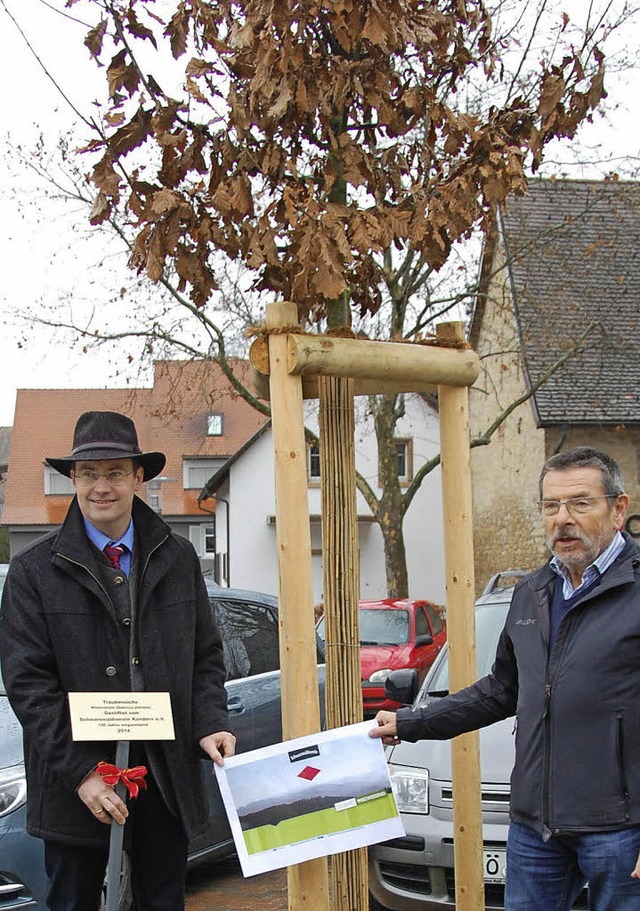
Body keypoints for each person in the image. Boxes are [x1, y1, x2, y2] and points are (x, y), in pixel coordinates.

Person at [370, 446, 640, 910]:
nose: (563, 519)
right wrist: (409, 723)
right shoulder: (531, 594)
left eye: (580, 502)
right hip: (535, 827)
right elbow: (500, 690)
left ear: (618, 509)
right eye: (551, 506)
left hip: (619, 829)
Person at [0, 411, 236, 911]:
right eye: (88, 474)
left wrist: (210, 722)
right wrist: (83, 772)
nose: (100, 487)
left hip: (164, 776)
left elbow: (205, 657)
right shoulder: (33, 570)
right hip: (75, 785)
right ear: (73, 480)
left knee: (163, 901)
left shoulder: (178, 559)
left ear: (138, 477)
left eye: (114, 473)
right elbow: (27, 683)